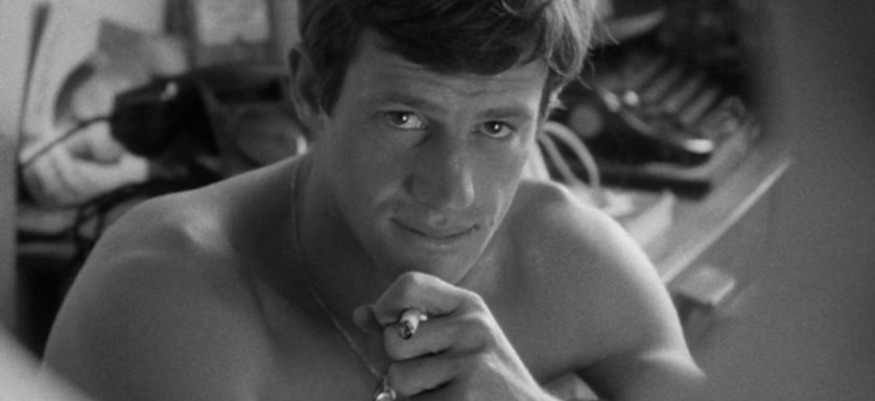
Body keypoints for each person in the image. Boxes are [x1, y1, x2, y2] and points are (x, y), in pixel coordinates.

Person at [42, 0, 706, 400]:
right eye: (404, 119)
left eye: (496, 128)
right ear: (311, 92)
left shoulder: (576, 266)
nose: (453, 190)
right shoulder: (164, 299)